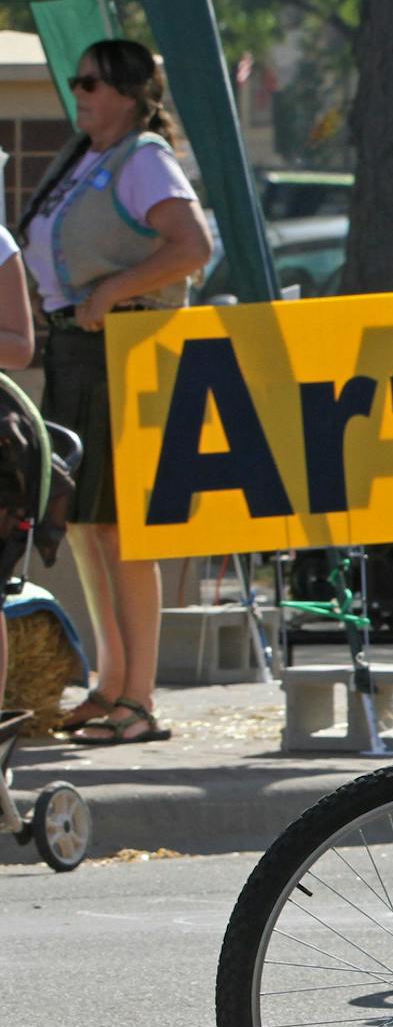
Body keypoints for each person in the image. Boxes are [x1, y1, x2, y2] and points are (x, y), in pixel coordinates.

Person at [22, 39, 212, 746]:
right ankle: (110, 685)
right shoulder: (90, 159)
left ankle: (140, 698)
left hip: (126, 351)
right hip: (79, 351)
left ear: (130, 93)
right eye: (76, 83)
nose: (81, 95)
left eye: (93, 83)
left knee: (127, 529)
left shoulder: (144, 158)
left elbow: (192, 247)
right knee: (87, 523)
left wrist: (112, 290)